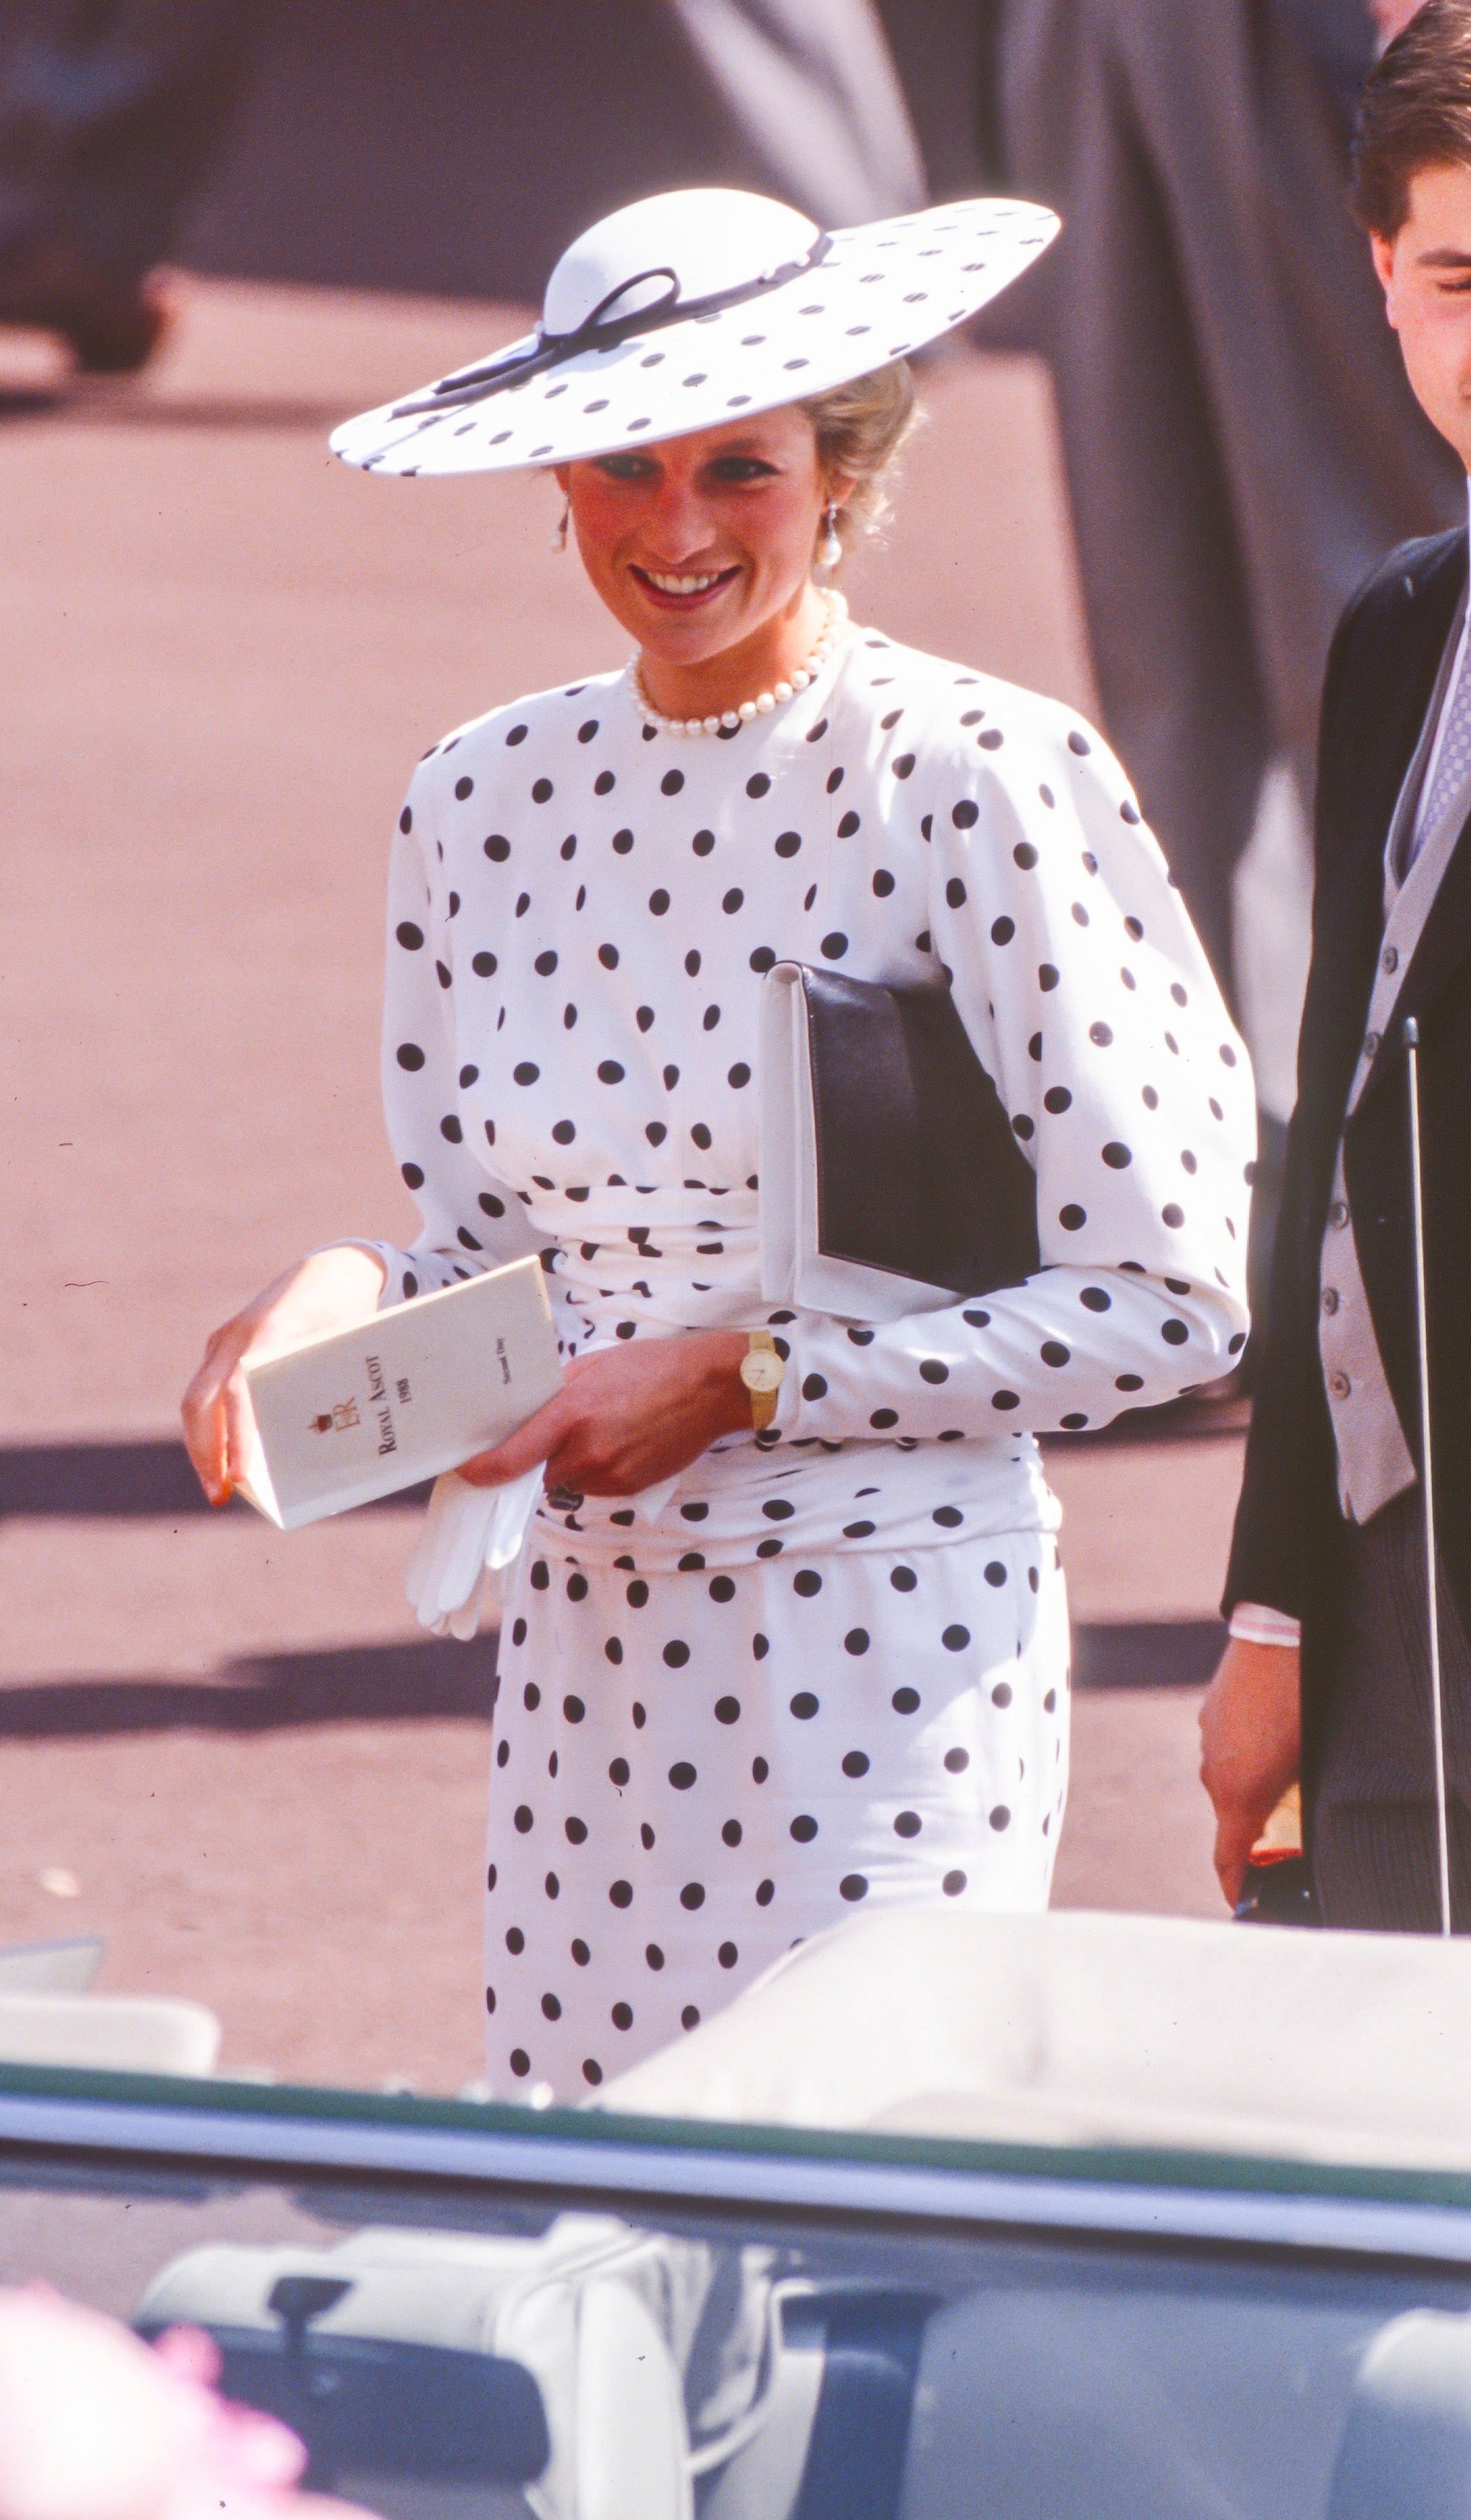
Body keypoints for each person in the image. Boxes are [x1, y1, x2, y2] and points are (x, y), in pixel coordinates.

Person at [182, 185, 1251, 2099]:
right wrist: (339, 1305)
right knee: (598, 2241)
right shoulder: (479, 794)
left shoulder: (981, 774)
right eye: (623, 468)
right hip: (589, 1660)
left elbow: (1172, 1302)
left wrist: (754, 1381)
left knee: (849, 2230)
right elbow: (496, 1266)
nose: (674, 532)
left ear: (844, 469)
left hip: (894, 1640)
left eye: (739, 472)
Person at [1203, 0, 1471, 1930]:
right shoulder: (1398, 627)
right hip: (1395, 1608)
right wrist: (1278, 1610)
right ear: (1380, 272)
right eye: (1465, 272)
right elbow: (1333, 1150)